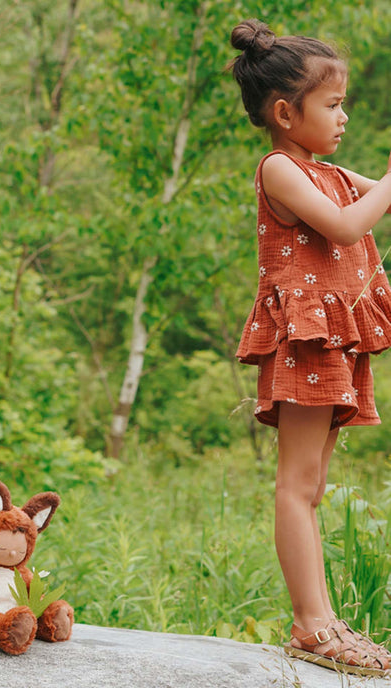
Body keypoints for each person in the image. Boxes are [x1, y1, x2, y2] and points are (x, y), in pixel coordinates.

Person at [229, 18, 391, 676]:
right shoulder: (280, 171)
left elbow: (366, 193)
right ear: (285, 113)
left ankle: (319, 620)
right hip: (305, 342)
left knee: (313, 484)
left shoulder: (322, 169)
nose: (344, 116)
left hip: (332, 344)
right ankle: (311, 625)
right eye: (332, 104)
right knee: (296, 486)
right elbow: (354, 220)